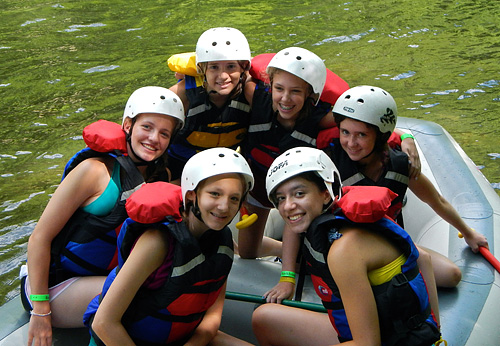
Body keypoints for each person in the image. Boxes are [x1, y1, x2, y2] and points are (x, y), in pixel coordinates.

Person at [22, 86, 185, 346]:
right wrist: (40, 311)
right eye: (147, 127)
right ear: (128, 125)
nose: (154, 138)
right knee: (139, 301)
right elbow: (39, 238)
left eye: (164, 134)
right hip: (54, 286)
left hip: (104, 279)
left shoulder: (159, 177)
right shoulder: (93, 171)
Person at [252, 147, 442, 346]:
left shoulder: (343, 250)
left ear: (326, 194)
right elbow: (422, 258)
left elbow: (367, 343)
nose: (288, 206)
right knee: (264, 319)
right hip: (383, 330)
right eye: (281, 198)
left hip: (392, 340)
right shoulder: (342, 219)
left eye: (299, 194)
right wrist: (435, 327)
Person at [84, 148, 254, 346]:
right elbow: (104, 323)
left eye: (234, 198)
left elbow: (211, 320)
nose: (224, 206)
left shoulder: (222, 242)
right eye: (215, 194)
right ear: (191, 195)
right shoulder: (157, 242)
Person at [325, 85, 488, 288]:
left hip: (388, 242)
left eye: (362, 135)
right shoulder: (329, 163)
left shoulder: (400, 165)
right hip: (345, 248)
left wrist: (469, 233)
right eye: (345, 132)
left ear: (381, 136)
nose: (351, 142)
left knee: (451, 275)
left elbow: (436, 200)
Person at [238, 46, 341, 259]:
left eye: (295, 91)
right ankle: (281, 249)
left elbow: (366, 121)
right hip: (259, 181)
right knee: (247, 253)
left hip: (298, 193)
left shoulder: (321, 118)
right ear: (270, 86)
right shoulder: (253, 96)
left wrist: (406, 138)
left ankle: (297, 252)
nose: (285, 99)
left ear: (310, 95)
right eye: (279, 89)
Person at [168, 27, 252, 183]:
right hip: (181, 166)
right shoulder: (183, 94)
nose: (223, 76)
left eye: (231, 66)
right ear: (202, 69)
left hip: (225, 166)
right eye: (214, 67)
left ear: (244, 67)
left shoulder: (250, 92)